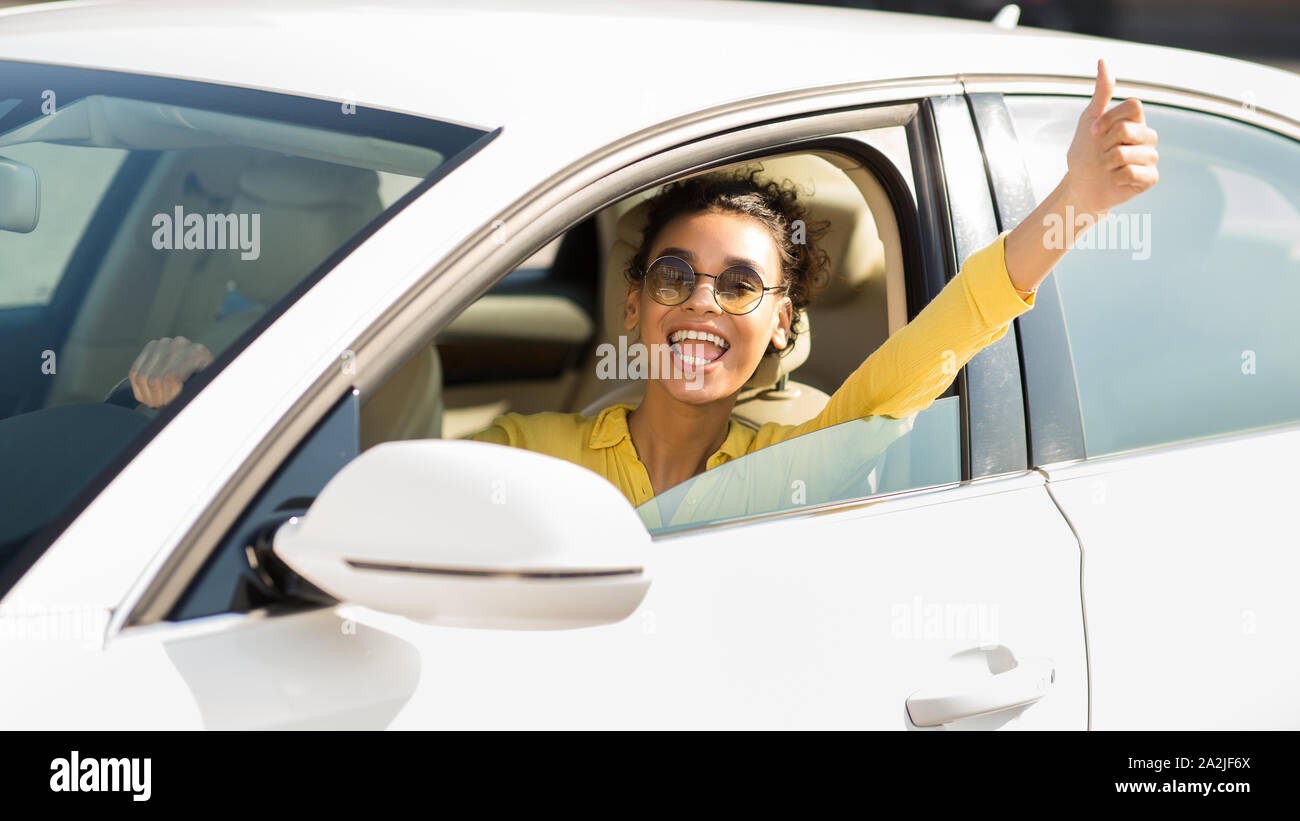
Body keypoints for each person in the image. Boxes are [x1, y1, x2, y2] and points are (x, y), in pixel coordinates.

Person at [128, 60, 1157, 509]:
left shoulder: (814, 446)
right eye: (673, 274)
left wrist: (1072, 199)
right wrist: (199, 405)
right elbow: (378, 481)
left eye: (739, 285)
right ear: (633, 308)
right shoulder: (538, 451)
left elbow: (941, 336)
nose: (701, 302)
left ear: (783, 322)